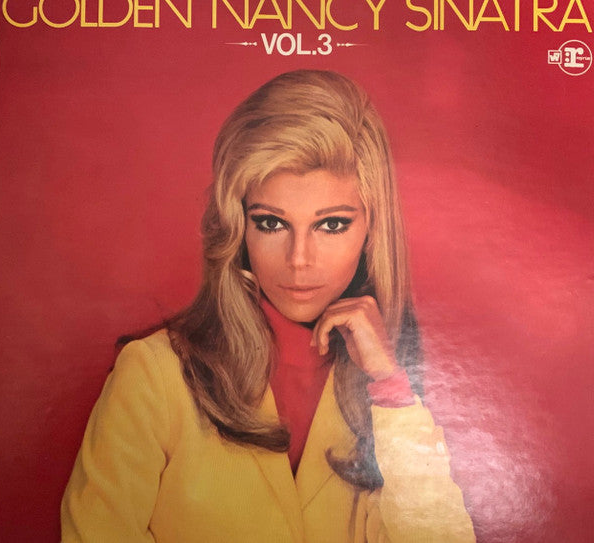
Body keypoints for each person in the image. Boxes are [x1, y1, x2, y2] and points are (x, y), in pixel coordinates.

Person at [61, 70, 475, 542]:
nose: (299, 259)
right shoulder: (154, 375)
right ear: (238, 225)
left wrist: (390, 386)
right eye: (272, 223)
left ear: (371, 231)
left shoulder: (388, 394)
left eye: (332, 225)